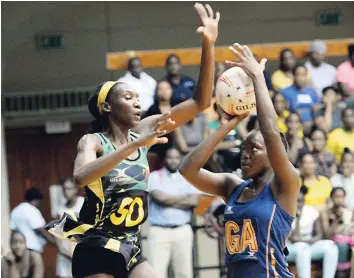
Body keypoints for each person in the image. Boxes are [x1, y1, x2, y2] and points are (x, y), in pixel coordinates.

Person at [46, 4, 220, 278]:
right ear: (107, 107)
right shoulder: (92, 141)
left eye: (138, 98)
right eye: (128, 98)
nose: (137, 102)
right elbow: (80, 177)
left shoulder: (144, 131)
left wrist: (208, 45)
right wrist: (134, 146)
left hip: (131, 248)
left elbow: (200, 102)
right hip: (96, 248)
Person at [180, 43, 301, 277]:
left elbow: (271, 132)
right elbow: (188, 170)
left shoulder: (285, 185)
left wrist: (257, 77)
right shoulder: (232, 186)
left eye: (253, 149)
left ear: (273, 153)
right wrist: (225, 128)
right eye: (243, 149)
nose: (244, 155)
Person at [147, 147, 201, 278]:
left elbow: (194, 201)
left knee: (184, 273)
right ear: (165, 159)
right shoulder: (154, 176)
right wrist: (184, 198)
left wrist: (168, 199)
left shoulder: (188, 177)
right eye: (170, 157)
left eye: (176, 157)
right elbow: (159, 198)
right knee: (156, 273)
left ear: (181, 159)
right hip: (159, 231)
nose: (173, 161)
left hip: (182, 230)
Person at [287, 186, 339, 278]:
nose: (299, 204)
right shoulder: (286, 212)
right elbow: (294, 238)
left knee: (331, 246)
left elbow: (319, 234)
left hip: (308, 244)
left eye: (301, 201)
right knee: (302, 248)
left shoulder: (310, 211)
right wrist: (298, 218)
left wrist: (311, 241)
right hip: (291, 248)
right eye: (297, 201)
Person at [10, 187, 58, 255]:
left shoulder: (15, 211)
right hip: (33, 249)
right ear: (36, 200)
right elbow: (41, 230)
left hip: (19, 250)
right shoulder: (32, 210)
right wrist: (56, 243)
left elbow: (13, 232)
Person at [320, 187, 354, 278]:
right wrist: (337, 219)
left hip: (347, 241)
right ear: (331, 198)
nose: (339, 200)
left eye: (342, 197)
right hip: (330, 242)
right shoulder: (325, 212)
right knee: (341, 246)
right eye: (337, 197)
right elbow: (326, 235)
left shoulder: (348, 212)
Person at [55, 177, 84, 278]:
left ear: (76, 189)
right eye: (64, 189)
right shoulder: (60, 210)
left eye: (69, 188)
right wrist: (64, 251)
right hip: (66, 254)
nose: (66, 192)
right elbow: (57, 235)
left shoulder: (83, 204)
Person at [280, 64, 321, 134]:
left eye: (304, 75)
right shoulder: (285, 92)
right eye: (298, 75)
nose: (301, 78)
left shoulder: (312, 92)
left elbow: (318, 109)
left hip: (312, 128)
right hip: (292, 128)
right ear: (293, 76)